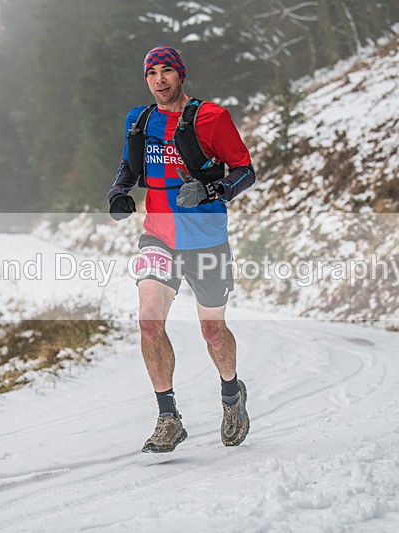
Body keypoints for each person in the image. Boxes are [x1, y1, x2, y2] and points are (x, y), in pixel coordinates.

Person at [107, 46, 256, 453]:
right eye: (152, 73)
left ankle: (231, 397)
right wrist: (119, 191)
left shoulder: (212, 118)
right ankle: (168, 417)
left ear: (180, 75)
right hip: (159, 237)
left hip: (206, 238)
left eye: (166, 71)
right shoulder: (139, 121)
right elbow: (130, 166)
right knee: (149, 322)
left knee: (212, 330)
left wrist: (212, 188)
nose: (159, 79)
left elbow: (245, 171)